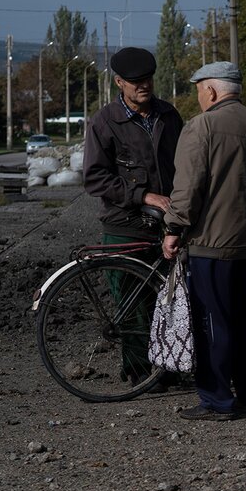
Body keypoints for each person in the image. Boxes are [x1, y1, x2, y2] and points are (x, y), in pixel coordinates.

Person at [162, 61, 246, 421]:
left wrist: (172, 228)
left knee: (212, 323)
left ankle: (218, 400)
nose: (199, 97)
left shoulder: (200, 128)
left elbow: (186, 191)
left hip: (210, 244)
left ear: (212, 91)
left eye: (199, 90)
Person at [82, 47, 185, 387]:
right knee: (133, 303)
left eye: (148, 79)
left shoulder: (169, 117)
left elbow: (184, 166)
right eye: (136, 81)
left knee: (172, 298)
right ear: (119, 83)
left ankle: (171, 365)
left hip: (167, 224)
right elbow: (95, 178)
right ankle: (141, 372)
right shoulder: (104, 122)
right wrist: (142, 195)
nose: (144, 86)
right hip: (124, 226)